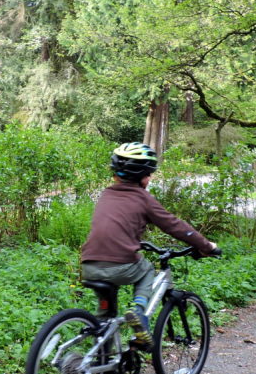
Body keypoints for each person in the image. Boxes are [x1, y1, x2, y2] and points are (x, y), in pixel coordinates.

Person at [80, 142, 218, 350]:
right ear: (144, 176)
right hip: (121, 266)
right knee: (146, 270)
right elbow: (175, 226)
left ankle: (101, 365)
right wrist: (206, 246)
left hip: (89, 266)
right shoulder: (143, 198)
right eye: (150, 174)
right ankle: (139, 310)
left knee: (105, 318)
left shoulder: (106, 194)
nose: (150, 178)